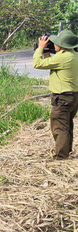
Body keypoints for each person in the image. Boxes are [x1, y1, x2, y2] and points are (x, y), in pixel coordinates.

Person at [33, 30, 78, 159]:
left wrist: (40, 49)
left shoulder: (62, 57)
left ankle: (61, 156)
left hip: (63, 98)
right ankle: (66, 150)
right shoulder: (74, 55)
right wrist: (47, 55)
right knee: (67, 124)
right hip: (73, 97)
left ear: (62, 45)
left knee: (59, 127)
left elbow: (37, 64)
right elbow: (55, 65)